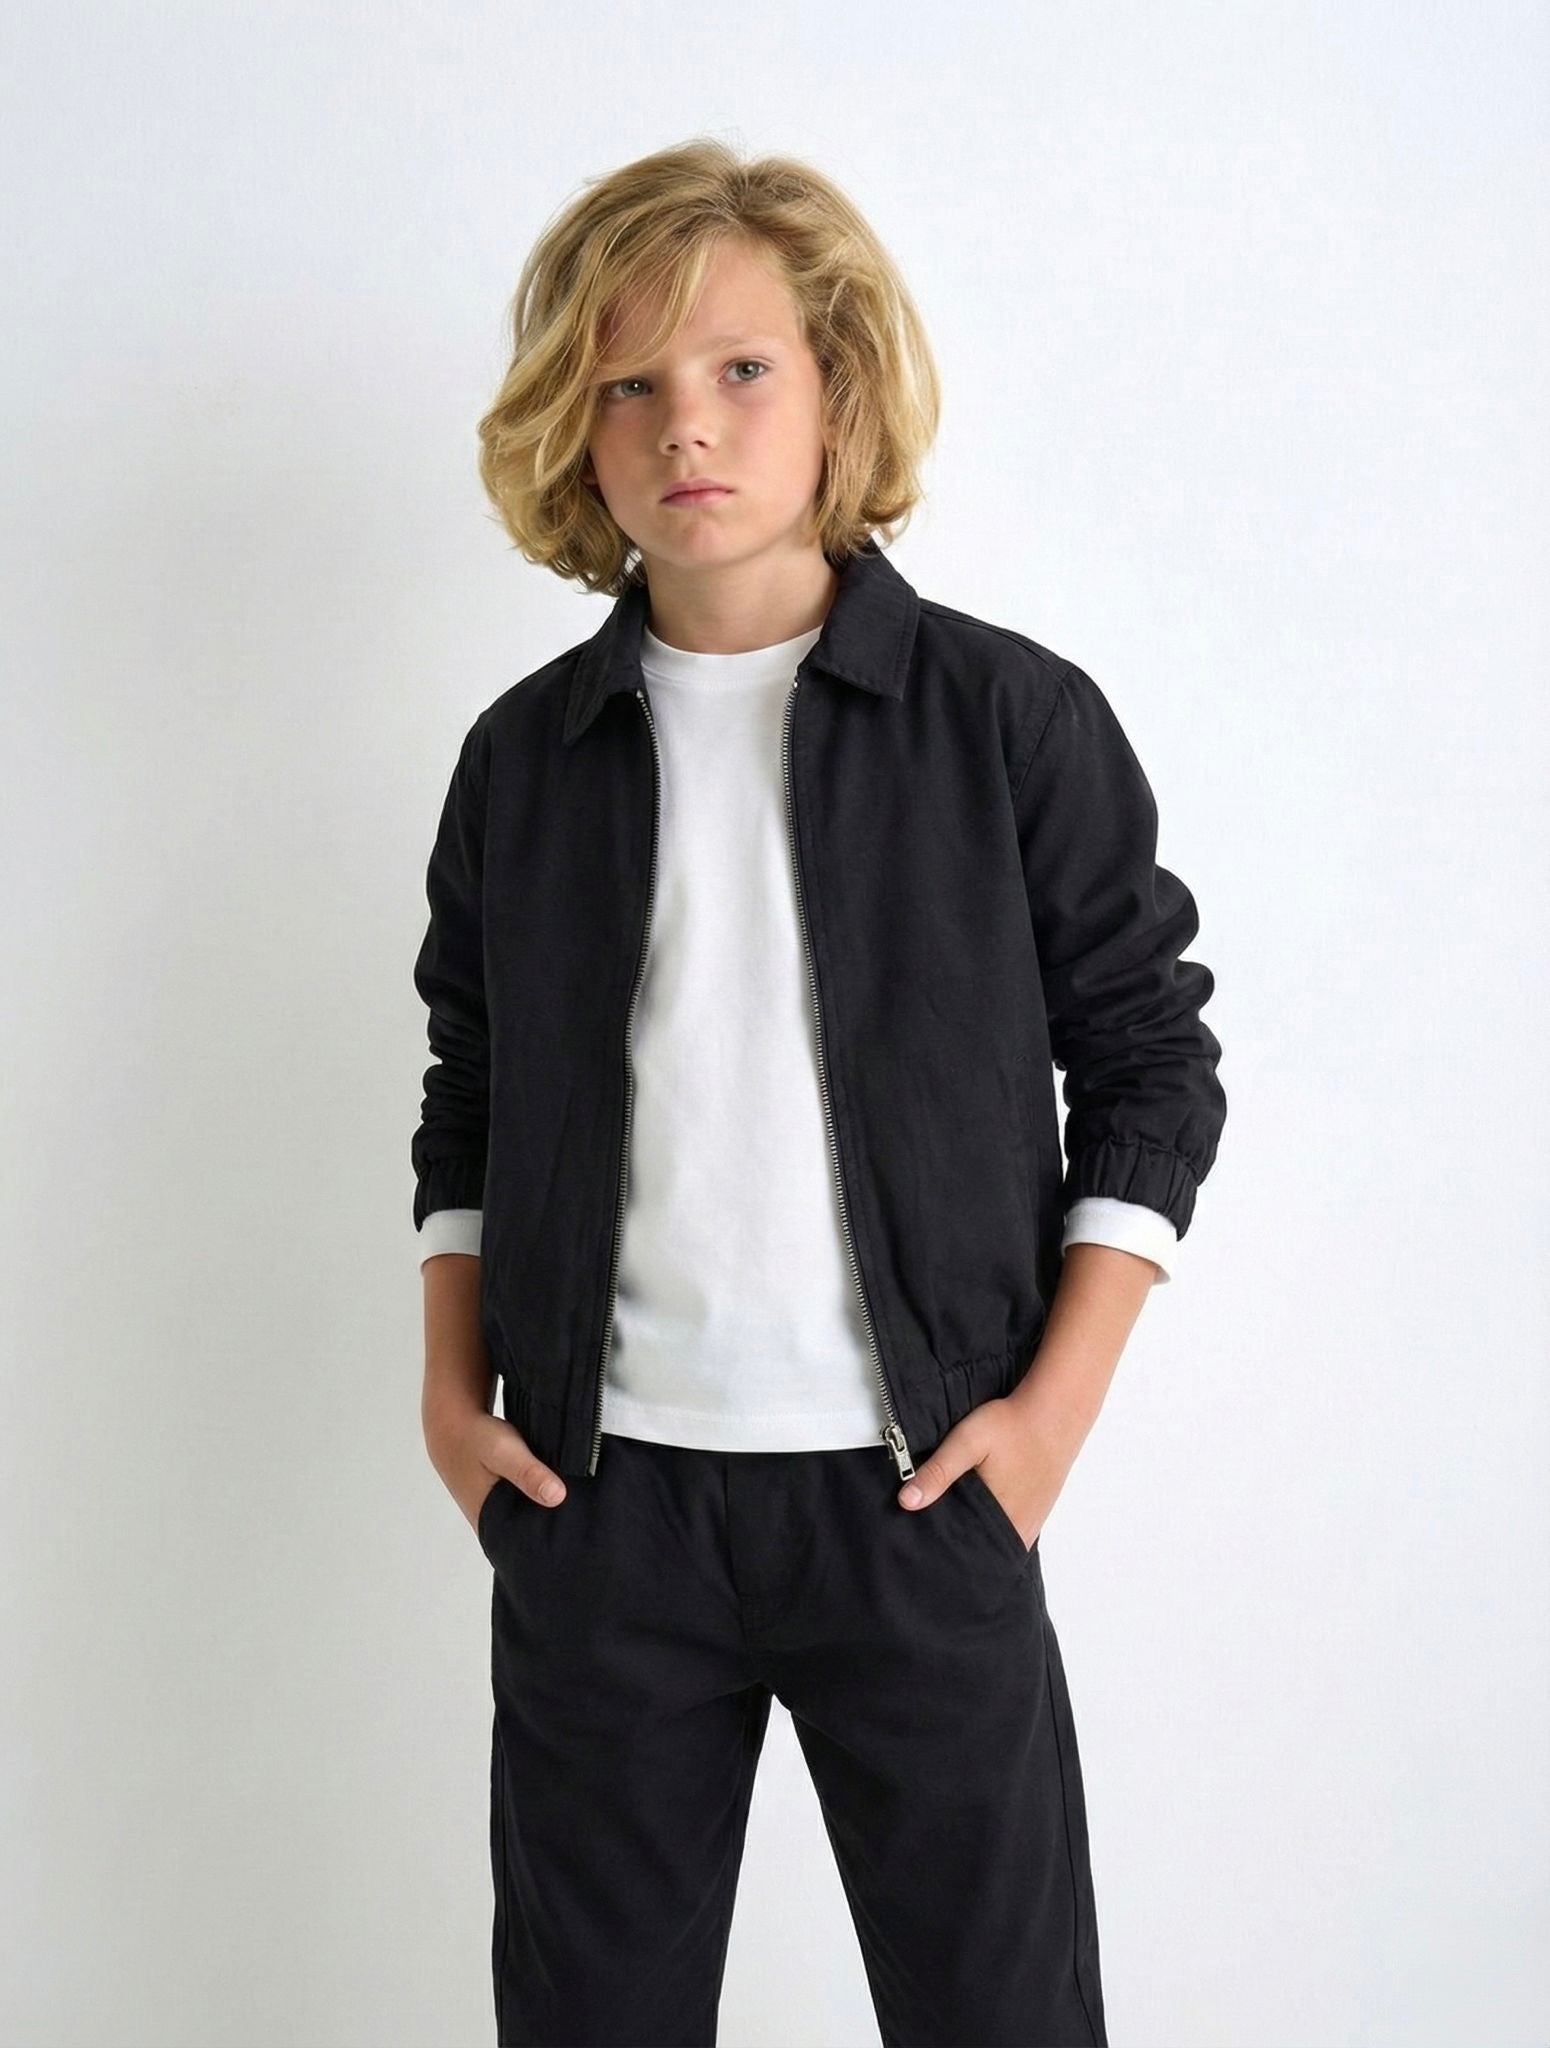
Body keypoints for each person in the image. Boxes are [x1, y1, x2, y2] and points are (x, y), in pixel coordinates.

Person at [412, 136, 1226, 2048]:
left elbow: (1147, 1058)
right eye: (627, 384)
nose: (683, 423)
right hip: (601, 1506)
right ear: (575, 430)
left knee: (1002, 2015)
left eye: (740, 368)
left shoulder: (1006, 719)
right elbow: (472, 1085)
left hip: (920, 1493)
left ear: (838, 391)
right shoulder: (524, 760)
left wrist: (1045, 1423)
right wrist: (453, 1402)